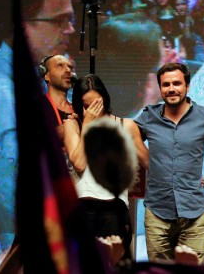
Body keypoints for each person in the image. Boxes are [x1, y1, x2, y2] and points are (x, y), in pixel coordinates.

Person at [0, 0, 74, 246]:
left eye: (70, 19)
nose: (70, 29)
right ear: (23, 24)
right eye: (60, 21)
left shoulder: (35, 70)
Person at [135, 63, 204, 263]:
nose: (171, 89)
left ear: (187, 87)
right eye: (166, 85)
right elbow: (123, 138)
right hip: (156, 214)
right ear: (160, 88)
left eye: (177, 84)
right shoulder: (148, 116)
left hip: (193, 214)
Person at [63, 74, 147, 262]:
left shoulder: (126, 125)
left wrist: (185, 175)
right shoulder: (72, 125)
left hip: (114, 209)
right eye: (87, 106)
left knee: (116, 266)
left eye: (97, 104)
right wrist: (87, 124)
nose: (94, 110)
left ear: (105, 99)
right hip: (83, 207)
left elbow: (150, 162)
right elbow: (79, 163)